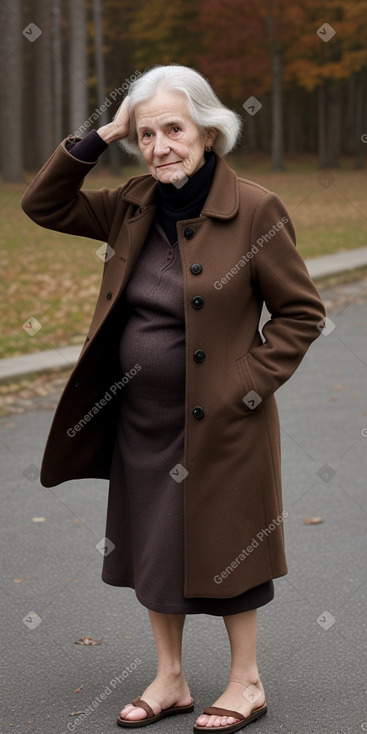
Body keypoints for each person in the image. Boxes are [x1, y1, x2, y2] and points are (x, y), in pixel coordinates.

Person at [21, 64, 326, 733]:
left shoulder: (254, 208)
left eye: (174, 129)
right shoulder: (130, 204)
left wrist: (244, 387)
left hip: (223, 420)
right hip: (142, 416)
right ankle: (169, 679)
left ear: (206, 132)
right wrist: (101, 133)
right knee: (151, 548)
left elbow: (301, 314)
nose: (161, 145)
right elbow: (43, 204)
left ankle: (245, 682)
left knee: (231, 548)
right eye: (147, 132)